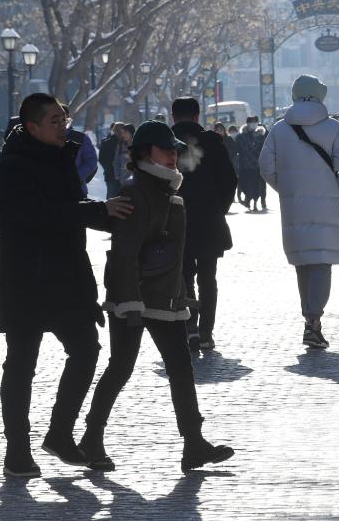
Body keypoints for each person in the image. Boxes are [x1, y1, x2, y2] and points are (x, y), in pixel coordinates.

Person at [80, 120, 234, 473]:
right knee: (121, 368)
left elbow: (171, 255)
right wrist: (130, 303)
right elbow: (126, 253)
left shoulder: (165, 191)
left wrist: (181, 296)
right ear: (146, 153)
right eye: (165, 150)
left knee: (181, 366)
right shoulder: (137, 192)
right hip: (134, 297)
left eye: (175, 150)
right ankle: (91, 436)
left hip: (164, 299)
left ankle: (194, 443)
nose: (172, 156)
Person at [0, 93, 133, 477]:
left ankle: (59, 434)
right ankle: (17, 449)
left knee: (86, 350)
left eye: (64, 119)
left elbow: (76, 211)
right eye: (55, 120)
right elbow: (32, 216)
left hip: (67, 275)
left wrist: (120, 216)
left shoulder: (64, 156)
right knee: (21, 363)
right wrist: (96, 211)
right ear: (33, 126)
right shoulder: (12, 166)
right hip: (26, 278)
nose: (63, 126)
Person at [258, 75, 339, 349]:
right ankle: (314, 320)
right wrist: (336, 194)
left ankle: (309, 318)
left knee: (303, 263)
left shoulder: (279, 130)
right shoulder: (334, 128)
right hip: (326, 205)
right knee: (321, 262)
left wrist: (288, 189)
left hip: (294, 207)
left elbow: (266, 166)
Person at [172, 98, 238, 352]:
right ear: (197, 115)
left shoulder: (165, 143)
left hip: (176, 217)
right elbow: (229, 179)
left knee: (184, 273)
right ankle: (207, 332)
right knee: (208, 277)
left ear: (173, 115)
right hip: (209, 218)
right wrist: (219, 208)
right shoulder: (212, 141)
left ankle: (190, 327)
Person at [237, 116, 267, 212]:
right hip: (245, 166)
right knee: (246, 185)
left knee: (257, 186)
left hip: (257, 165)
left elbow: (264, 149)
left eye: (255, 122)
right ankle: (248, 199)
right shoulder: (241, 136)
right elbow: (239, 149)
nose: (253, 124)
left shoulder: (261, 135)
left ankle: (255, 202)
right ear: (247, 123)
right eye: (251, 122)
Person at [99, 123, 121, 198]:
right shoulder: (107, 143)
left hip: (123, 176)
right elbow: (102, 159)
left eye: (121, 130)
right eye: (117, 130)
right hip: (111, 175)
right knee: (112, 197)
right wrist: (110, 167)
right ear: (114, 131)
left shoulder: (127, 142)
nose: (119, 132)